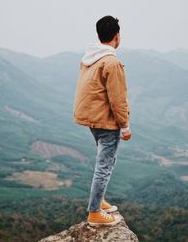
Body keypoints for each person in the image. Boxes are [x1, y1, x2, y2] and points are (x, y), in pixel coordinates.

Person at [73, 15, 132, 226]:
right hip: (106, 122)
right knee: (104, 166)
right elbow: (118, 98)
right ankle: (95, 212)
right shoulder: (111, 62)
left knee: (105, 163)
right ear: (117, 37)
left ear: (99, 36)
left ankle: (99, 200)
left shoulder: (91, 57)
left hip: (92, 119)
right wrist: (124, 126)